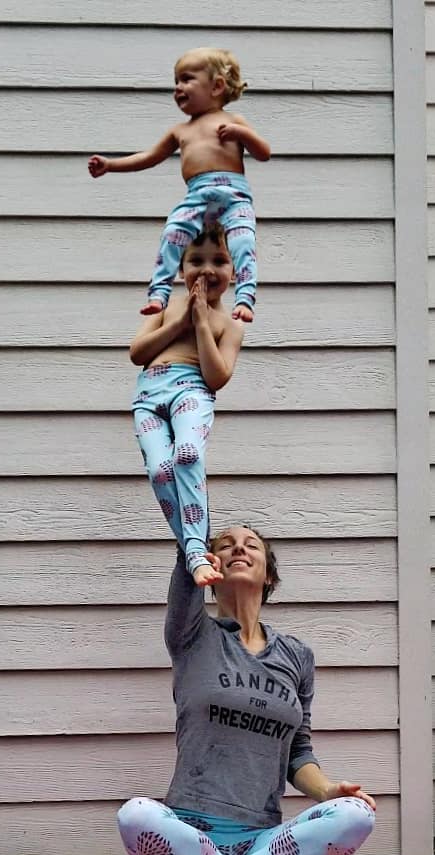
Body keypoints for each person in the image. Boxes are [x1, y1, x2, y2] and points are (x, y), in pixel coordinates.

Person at [117, 525, 377, 855]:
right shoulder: (192, 635)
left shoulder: (296, 656)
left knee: (356, 815)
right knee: (136, 817)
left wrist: (327, 791)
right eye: (226, 545)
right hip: (186, 835)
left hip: (263, 840)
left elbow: (297, 750)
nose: (238, 547)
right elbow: (187, 549)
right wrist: (190, 541)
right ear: (211, 569)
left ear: (268, 574)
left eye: (251, 545)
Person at [88, 47, 270, 322]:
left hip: (234, 196)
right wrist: (111, 165)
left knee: (243, 241)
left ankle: (244, 298)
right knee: (172, 234)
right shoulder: (180, 131)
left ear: (217, 86)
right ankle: (159, 294)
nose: (178, 88)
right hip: (196, 195)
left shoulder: (234, 121)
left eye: (186, 79)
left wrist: (242, 133)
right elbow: (149, 157)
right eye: (176, 82)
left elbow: (264, 153)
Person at [130, 224, 244, 587]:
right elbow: (138, 352)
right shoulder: (163, 305)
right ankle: (196, 553)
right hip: (149, 394)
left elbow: (216, 376)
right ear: (181, 269)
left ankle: (196, 551)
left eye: (219, 261)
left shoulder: (229, 324)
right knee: (161, 471)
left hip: (191, 391)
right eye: (196, 260)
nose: (207, 269)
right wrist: (180, 319)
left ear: (235, 269)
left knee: (188, 454)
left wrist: (200, 325)